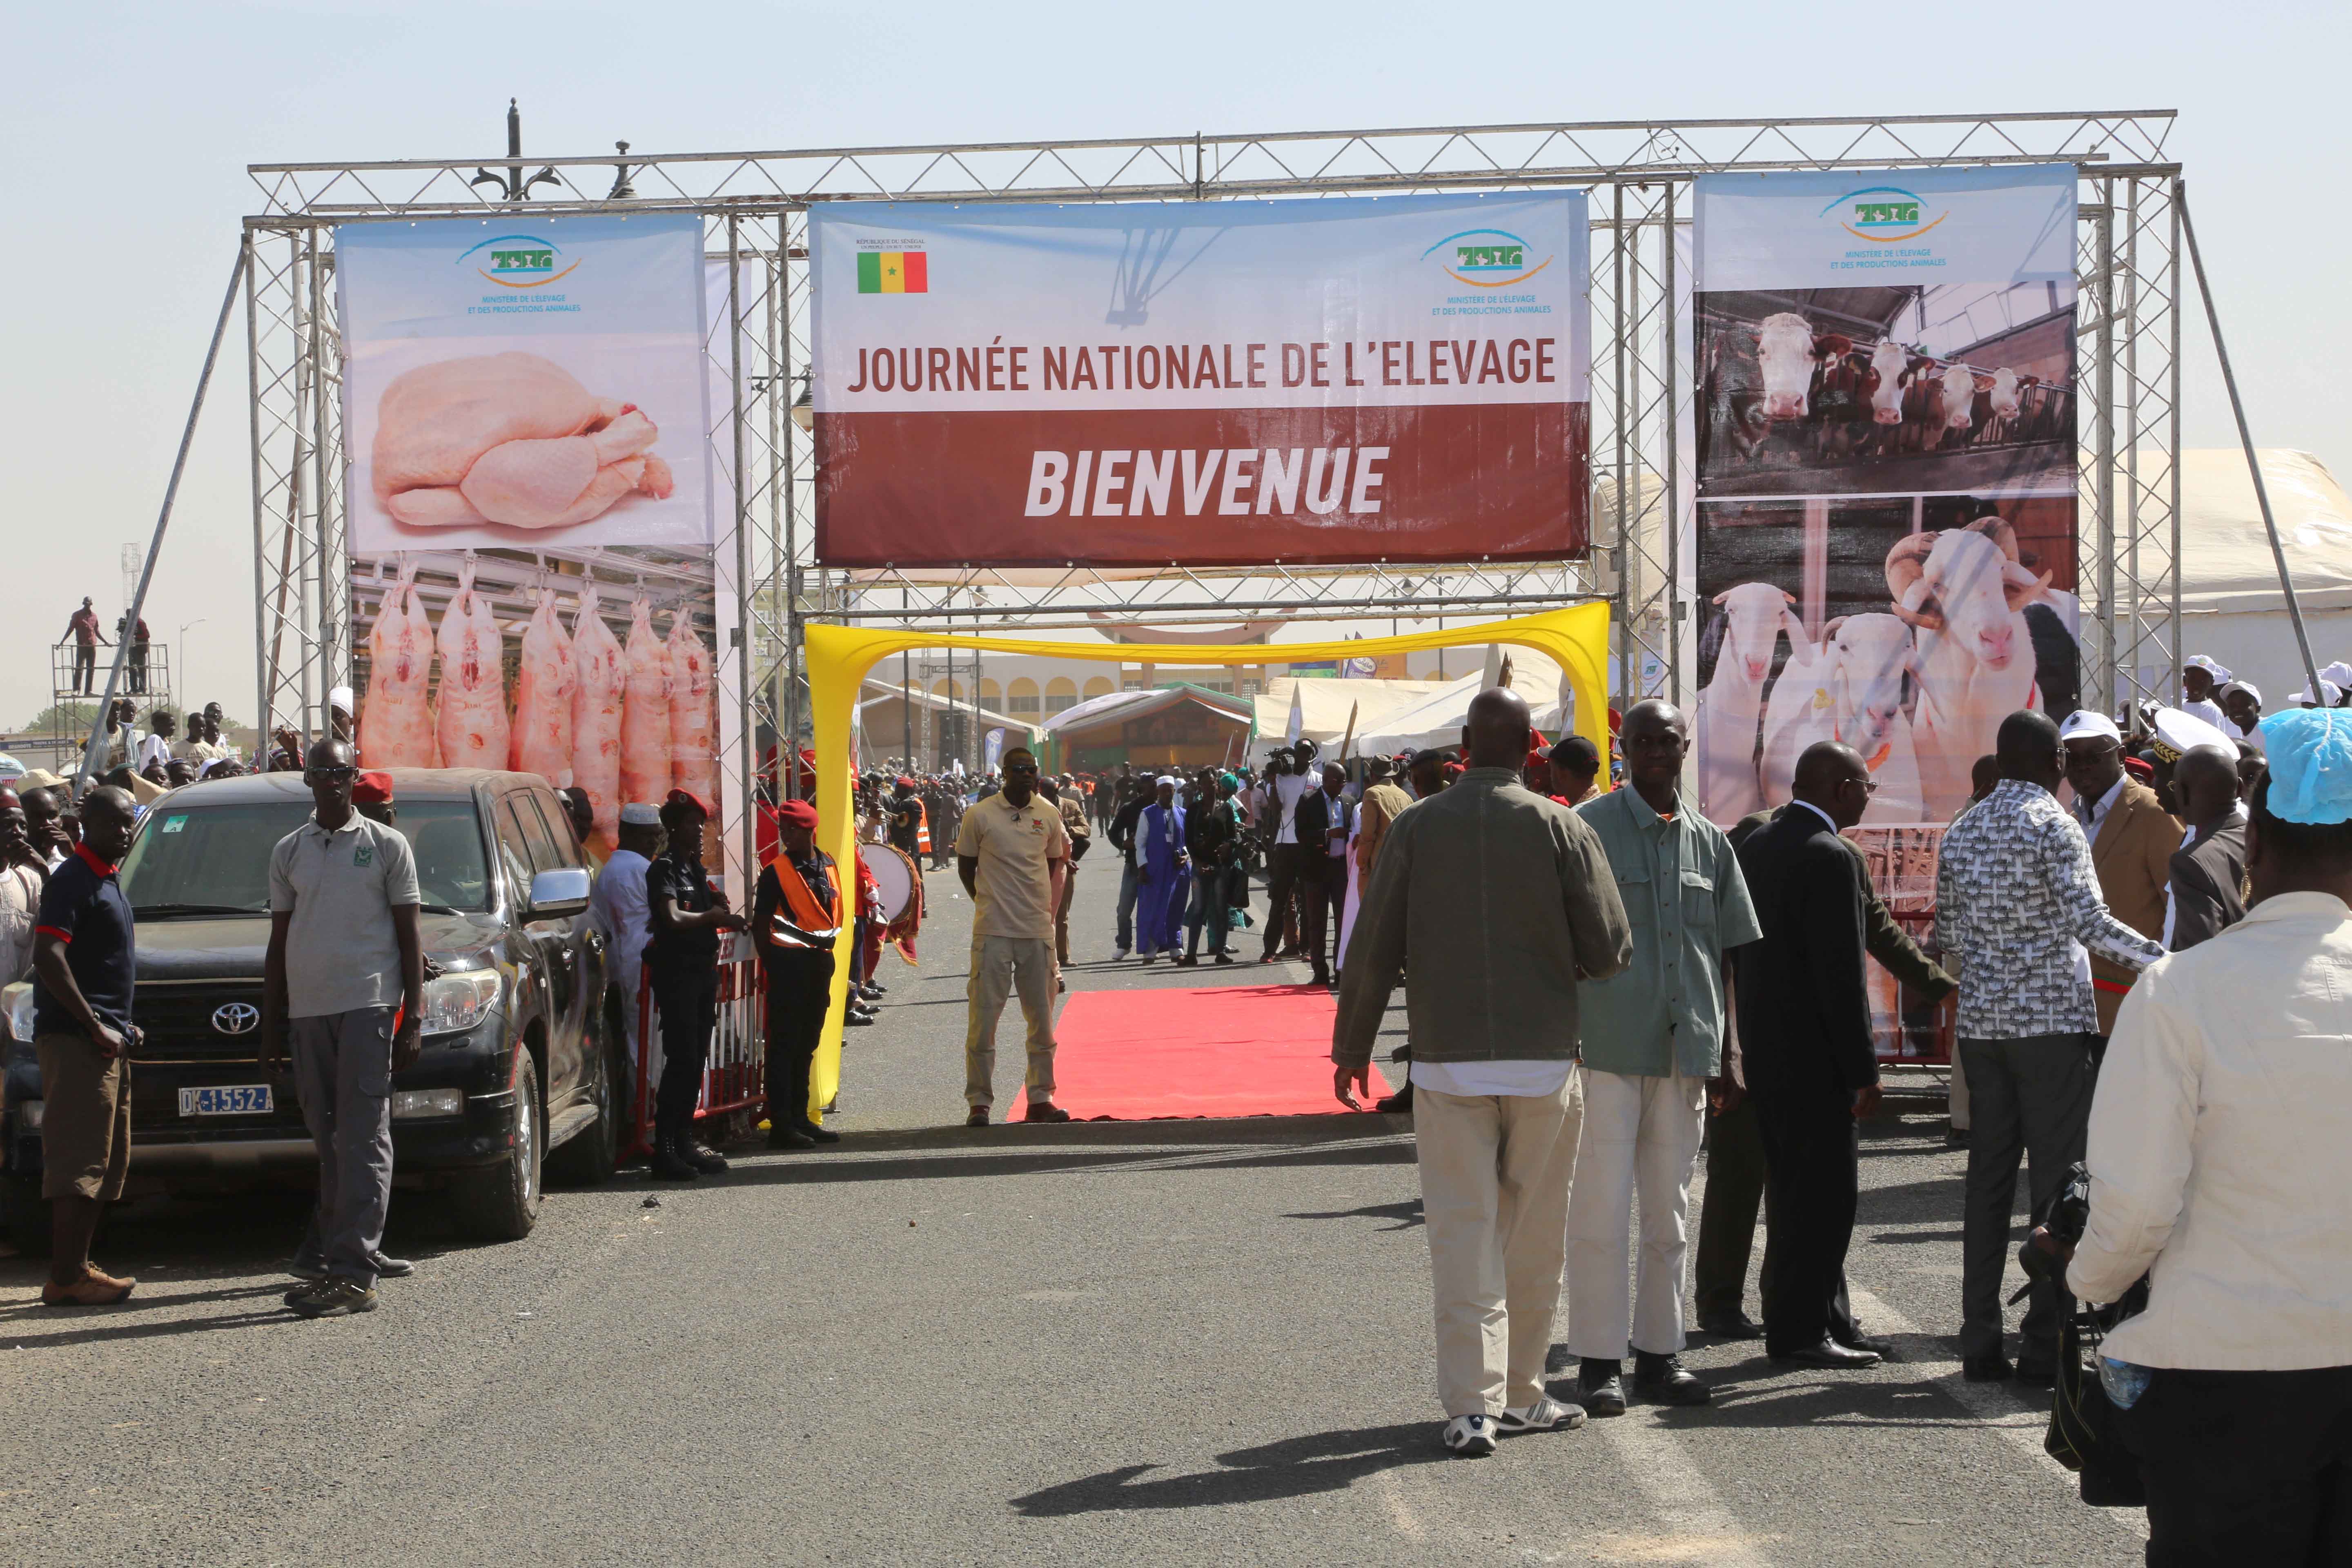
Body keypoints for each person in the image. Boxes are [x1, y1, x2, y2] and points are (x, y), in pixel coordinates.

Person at [2062, 708, 2352, 1564]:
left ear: (2253, 845)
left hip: (2225, 1384)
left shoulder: (2180, 993)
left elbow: (2138, 1206)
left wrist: (2084, 1279)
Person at [1334, 688, 1633, 1456]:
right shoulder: (1564, 827)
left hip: (1447, 1064)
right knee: (1534, 1240)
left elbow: (1372, 947)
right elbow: (1608, 952)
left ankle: (1472, 1408)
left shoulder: (1416, 827)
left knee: (1462, 1236)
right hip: (1542, 1062)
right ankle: (1526, 1395)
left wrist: (1351, 1048)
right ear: (1532, 745)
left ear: (1464, 743)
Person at [1933, 710, 2167, 1384]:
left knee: (1987, 1183)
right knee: (2055, 1188)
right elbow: (2089, 923)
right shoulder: (2054, 825)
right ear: (2053, 763)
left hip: (1983, 1031)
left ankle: (1979, 1338)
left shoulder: (1964, 826)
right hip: (2051, 1030)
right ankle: (2043, 1344)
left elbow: (1949, 931)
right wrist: (2167, 961)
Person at [1564, 699, 1762, 1411]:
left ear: (1685, 748)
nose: (1654, 750)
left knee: (1670, 1216)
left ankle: (1660, 1355)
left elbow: (1730, 956)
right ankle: (1596, 1361)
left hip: (1688, 1053)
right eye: (1641, 740)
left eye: (1667, 741)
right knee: (1599, 1211)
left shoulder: (1713, 843)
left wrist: (1731, 1051)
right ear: (1623, 749)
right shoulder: (1586, 831)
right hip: (1608, 1050)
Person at [1695, 805, 1953, 1340]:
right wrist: (1723, 1057)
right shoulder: (1752, 861)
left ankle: (1791, 1307)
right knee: (1758, 1183)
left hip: (1780, 1052)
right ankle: (1730, 1304)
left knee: (1794, 1190)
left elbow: (1876, 929)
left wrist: (1939, 986)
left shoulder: (1834, 857)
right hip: (1745, 1048)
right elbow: (1715, 965)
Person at [1726, 744, 1898, 1367]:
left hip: (1770, 1054)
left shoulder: (1758, 845)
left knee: (1794, 1194)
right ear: (1841, 787)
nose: (1868, 797)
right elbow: (1841, 978)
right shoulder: (1829, 855)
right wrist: (1863, 1072)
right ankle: (1801, 1334)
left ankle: (1822, 1320)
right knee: (1823, 1203)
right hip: (1816, 1063)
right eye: (1866, 787)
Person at [258, 741, 425, 1318]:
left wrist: (414, 1017)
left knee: (362, 1139)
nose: (331, 780)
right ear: (305, 778)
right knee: (328, 1143)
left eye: (341, 771)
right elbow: (278, 944)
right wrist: (271, 1026)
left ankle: (354, 1275)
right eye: (320, 771)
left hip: (369, 1007)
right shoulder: (289, 851)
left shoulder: (386, 846)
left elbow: (410, 939)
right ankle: (333, 1258)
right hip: (307, 1013)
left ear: (354, 778)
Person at [27, 784, 139, 1305]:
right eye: (113, 823)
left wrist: (121, 1025)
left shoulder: (109, 879)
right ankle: (66, 1279)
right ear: (83, 825)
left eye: (128, 821)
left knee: (105, 1162)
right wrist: (95, 1024)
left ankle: (77, 1268)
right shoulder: (71, 879)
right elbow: (49, 955)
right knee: (78, 1163)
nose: (124, 831)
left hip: (106, 1042)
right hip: (77, 1043)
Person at [955, 747, 1070, 1126]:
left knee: (1042, 1020)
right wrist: (987, 901)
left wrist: (1042, 910)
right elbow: (967, 865)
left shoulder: (1049, 814)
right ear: (1004, 774)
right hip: (993, 931)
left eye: (1030, 769)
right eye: (1017, 770)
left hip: (1036, 931)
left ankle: (1040, 1098)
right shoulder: (980, 814)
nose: (1025, 775)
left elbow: (1054, 863)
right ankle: (979, 1103)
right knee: (984, 1021)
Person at [2060, 710, 2183, 1041]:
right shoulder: (2069, 821)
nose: (2082, 766)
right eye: (2072, 758)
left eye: (2093, 757)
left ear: (2121, 757)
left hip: (2134, 1005)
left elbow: (2178, 911)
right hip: (2077, 1010)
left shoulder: (2153, 813)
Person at [643, 791, 746, 1180]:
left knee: (696, 1059)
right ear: (673, 828)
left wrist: (723, 915)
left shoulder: (694, 869)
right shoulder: (664, 869)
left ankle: (684, 1140)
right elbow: (671, 917)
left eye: (701, 824)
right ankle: (666, 1148)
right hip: (679, 976)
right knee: (681, 1061)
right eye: (691, 824)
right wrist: (711, 917)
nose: (700, 831)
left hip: (703, 975)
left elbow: (713, 909)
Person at [753, 798, 842, 1151]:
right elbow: (761, 925)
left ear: (809, 830)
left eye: (792, 830)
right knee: (784, 1046)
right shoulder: (776, 871)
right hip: (788, 966)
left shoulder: (828, 864)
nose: (786, 836)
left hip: (820, 964)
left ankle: (801, 1117)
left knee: (807, 1044)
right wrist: (773, 965)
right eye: (783, 830)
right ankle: (782, 1124)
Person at [587, 802, 662, 1101]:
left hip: (630, 967)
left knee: (640, 1042)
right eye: (648, 836)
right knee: (647, 1045)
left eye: (657, 836)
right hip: (641, 968)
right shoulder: (636, 868)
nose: (653, 843)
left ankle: (642, 1114)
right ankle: (647, 1117)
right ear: (626, 833)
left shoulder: (615, 868)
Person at [2163, 743, 2247, 951]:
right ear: (2239, 788)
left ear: (2182, 792)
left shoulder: (2191, 862)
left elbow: (2197, 952)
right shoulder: (2267, 840)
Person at [1257, 741, 1324, 971]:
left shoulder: (1318, 780)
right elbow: (1276, 811)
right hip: (1285, 845)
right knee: (1279, 899)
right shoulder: (1282, 780)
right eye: (1298, 752)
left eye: (1306, 753)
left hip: (1307, 846)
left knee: (1308, 899)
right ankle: (1269, 949)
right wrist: (1274, 782)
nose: (1301, 756)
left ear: (1312, 757)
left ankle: (1306, 948)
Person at [1181, 770, 1240, 967]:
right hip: (1200, 867)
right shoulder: (1194, 810)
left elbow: (1233, 836)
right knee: (1199, 909)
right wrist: (1197, 862)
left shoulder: (1227, 809)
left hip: (1221, 867)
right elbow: (1188, 839)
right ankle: (1191, 955)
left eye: (1212, 783)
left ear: (1217, 785)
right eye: (1204, 784)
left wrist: (1228, 846)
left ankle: (1221, 951)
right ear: (1200, 786)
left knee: (1221, 909)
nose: (1208, 787)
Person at [1134, 777, 1189, 963]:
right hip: (1154, 870)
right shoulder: (1147, 814)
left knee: (1176, 909)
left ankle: (1176, 948)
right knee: (1153, 909)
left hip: (1177, 870)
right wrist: (1142, 868)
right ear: (1158, 791)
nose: (1167, 793)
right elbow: (1139, 843)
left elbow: (1187, 842)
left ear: (1174, 791)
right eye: (1164, 790)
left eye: (1171, 790)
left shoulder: (1182, 813)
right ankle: (1151, 950)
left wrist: (1186, 856)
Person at [1041, 776, 1090, 968]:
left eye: (1053, 791)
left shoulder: (1070, 806)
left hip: (1065, 865)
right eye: (1046, 792)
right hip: (1040, 865)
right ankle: (1042, 957)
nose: (1050, 795)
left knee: (1062, 916)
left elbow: (1086, 830)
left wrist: (1070, 830)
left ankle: (1063, 956)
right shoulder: (1036, 809)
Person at [0, 791, 45, 987]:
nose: (19, 832)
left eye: (23, 826)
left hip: (16, 1011)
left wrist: (45, 871)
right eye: (8, 825)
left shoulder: (30, 880)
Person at [1317, 763, 1353, 980]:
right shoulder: (1309, 801)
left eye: (1344, 781)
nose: (1342, 785)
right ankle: (1320, 971)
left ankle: (1340, 969)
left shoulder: (1350, 802)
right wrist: (1329, 834)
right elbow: (1303, 833)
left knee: (1343, 920)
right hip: (1318, 869)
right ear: (1325, 780)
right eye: (1338, 781)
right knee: (1318, 922)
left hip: (1342, 868)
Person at [1107, 778, 1146, 961]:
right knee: (1124, 909)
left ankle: (1156, 944)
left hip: (1157, 867)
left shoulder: (1163, 808)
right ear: (1141, 790)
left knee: (1153, 910)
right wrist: (1123, 844)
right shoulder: (1130, 808)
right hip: (1133, 865)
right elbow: (1113, 832)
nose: (1155, 791)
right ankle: (1124, 944)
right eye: (1151, 787)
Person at [63, 597, 104, 696]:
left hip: (92, 645)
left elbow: (97, 631)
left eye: (88, 604)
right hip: (82, 644)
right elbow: (71, 629)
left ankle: (88, 691)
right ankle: (77, 690)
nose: (87, 605)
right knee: (79, 668)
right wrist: (63, 641)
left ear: (91, 604)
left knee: (91, 669)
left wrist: (105, 642)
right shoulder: (77, 615)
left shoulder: (94, 616)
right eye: (85, 604)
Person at [1548, 736, 1603, 806]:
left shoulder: (1578, 814)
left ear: (1561, 773)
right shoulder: (1612, 805)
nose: (1550, 775)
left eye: (1551, 769)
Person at [2178, 655, 2228, 731]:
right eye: (2193, 679)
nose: (2197, 685)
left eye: (2203, 681)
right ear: (2185, 681)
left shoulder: (2211, 711)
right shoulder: (2178, 706)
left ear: (2211, 684)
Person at [2218, 680, 2264, 752]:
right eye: (2232, 706)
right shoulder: (2237, 732)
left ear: (2258, 709)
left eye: (2244, 705)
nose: (2237, 710)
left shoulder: (2266, 731)